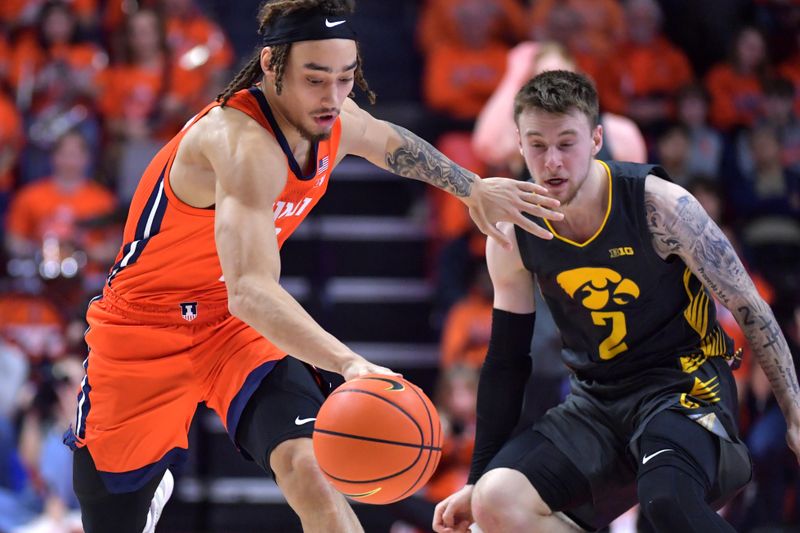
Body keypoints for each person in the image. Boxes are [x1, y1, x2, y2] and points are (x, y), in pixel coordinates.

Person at [62, 1, 564, 533]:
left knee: (311, 467)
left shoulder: (335, 117)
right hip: (144, 329)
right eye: (316, 79)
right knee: (110, 520)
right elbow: (251, 291)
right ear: (272, 66)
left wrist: (473, 188)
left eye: (346, 78)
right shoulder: (238, 141)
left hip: (229, 331)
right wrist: (349, 364)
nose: (332, 97)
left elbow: (390, 142)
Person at [433, 70, 800, 533]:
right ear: (520, 145)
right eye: (538, 145)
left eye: (567, 143)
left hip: (683, 386)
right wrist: (477, 475)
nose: (553, 163)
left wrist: (794, 412)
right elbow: (506, 359)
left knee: (665, 501)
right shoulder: (511, 231)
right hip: (596, 402)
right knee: (494, 501)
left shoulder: (660, 205)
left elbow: (749, 305)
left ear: (596, 139)